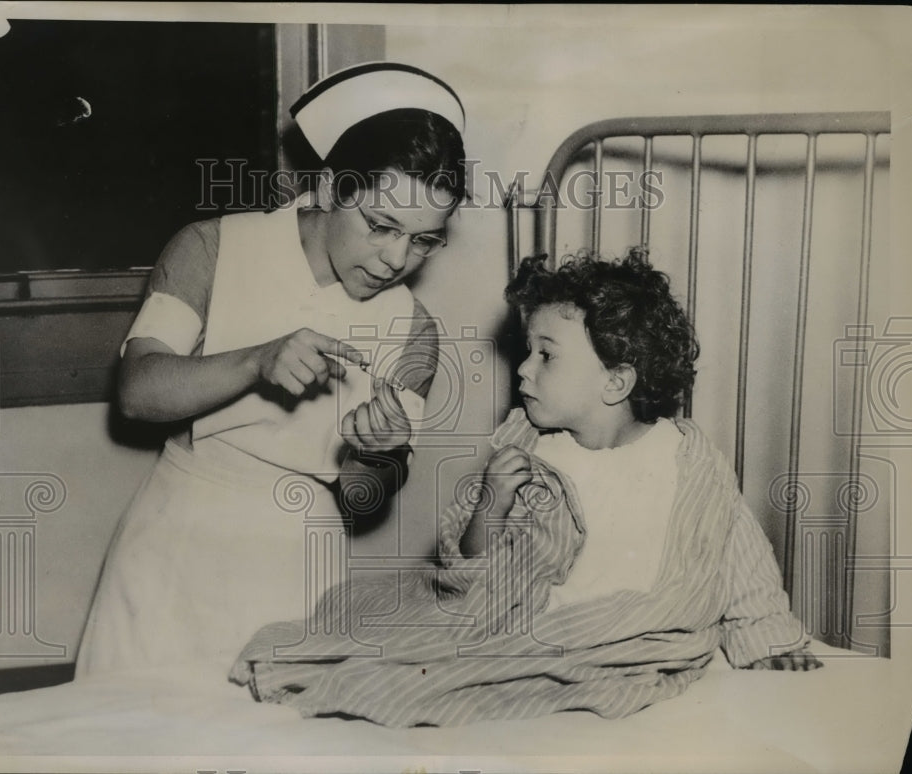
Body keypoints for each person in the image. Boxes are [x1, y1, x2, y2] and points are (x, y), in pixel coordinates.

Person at [230, 248, 821, 728]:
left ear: (615, 381)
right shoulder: (527, 447)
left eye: (546, 355)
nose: (522, 370)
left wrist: (767, 638)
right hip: (518, 615)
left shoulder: (690, 461)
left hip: (631, 631)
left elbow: (736, 552)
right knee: (382, 630)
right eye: (527, 351)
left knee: (467, 680)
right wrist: (492, 501)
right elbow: (463, 564)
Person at [75, 63, 468, 677]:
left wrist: (378, 456)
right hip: (176, 540)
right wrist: (257, 361)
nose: (396, 259)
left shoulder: (413, 331)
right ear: (335, 187)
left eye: (423, 240)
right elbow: (136, 392)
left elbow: (365, 501)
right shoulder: (213, 247)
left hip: (299, 561)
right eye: (381, 226)